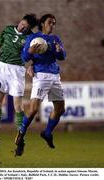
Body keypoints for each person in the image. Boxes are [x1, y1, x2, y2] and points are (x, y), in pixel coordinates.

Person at [0, 14, 38, 150]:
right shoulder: (7, 29)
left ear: (29, 29)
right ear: (21, 20)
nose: (23, 27)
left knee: (18, 106)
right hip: (1, 68)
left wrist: (32, 65)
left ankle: (20, 140)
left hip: (17, 71)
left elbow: (35, 54)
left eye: (26, 27)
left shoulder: (31, 38)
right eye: (23, 23)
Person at [15, 14, 66, 156]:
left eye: (54, 23)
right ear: (43, 23)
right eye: (50, 22)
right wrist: (30, 52)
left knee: (60, 109)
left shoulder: (55, 39)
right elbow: (25, 57)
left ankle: (47, 133)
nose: (52, 25)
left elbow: (63, 56)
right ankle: (21, 134)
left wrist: (59, 51)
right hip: (41, 76)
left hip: (55, 76)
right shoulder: (33, 38)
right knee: (33, 110)